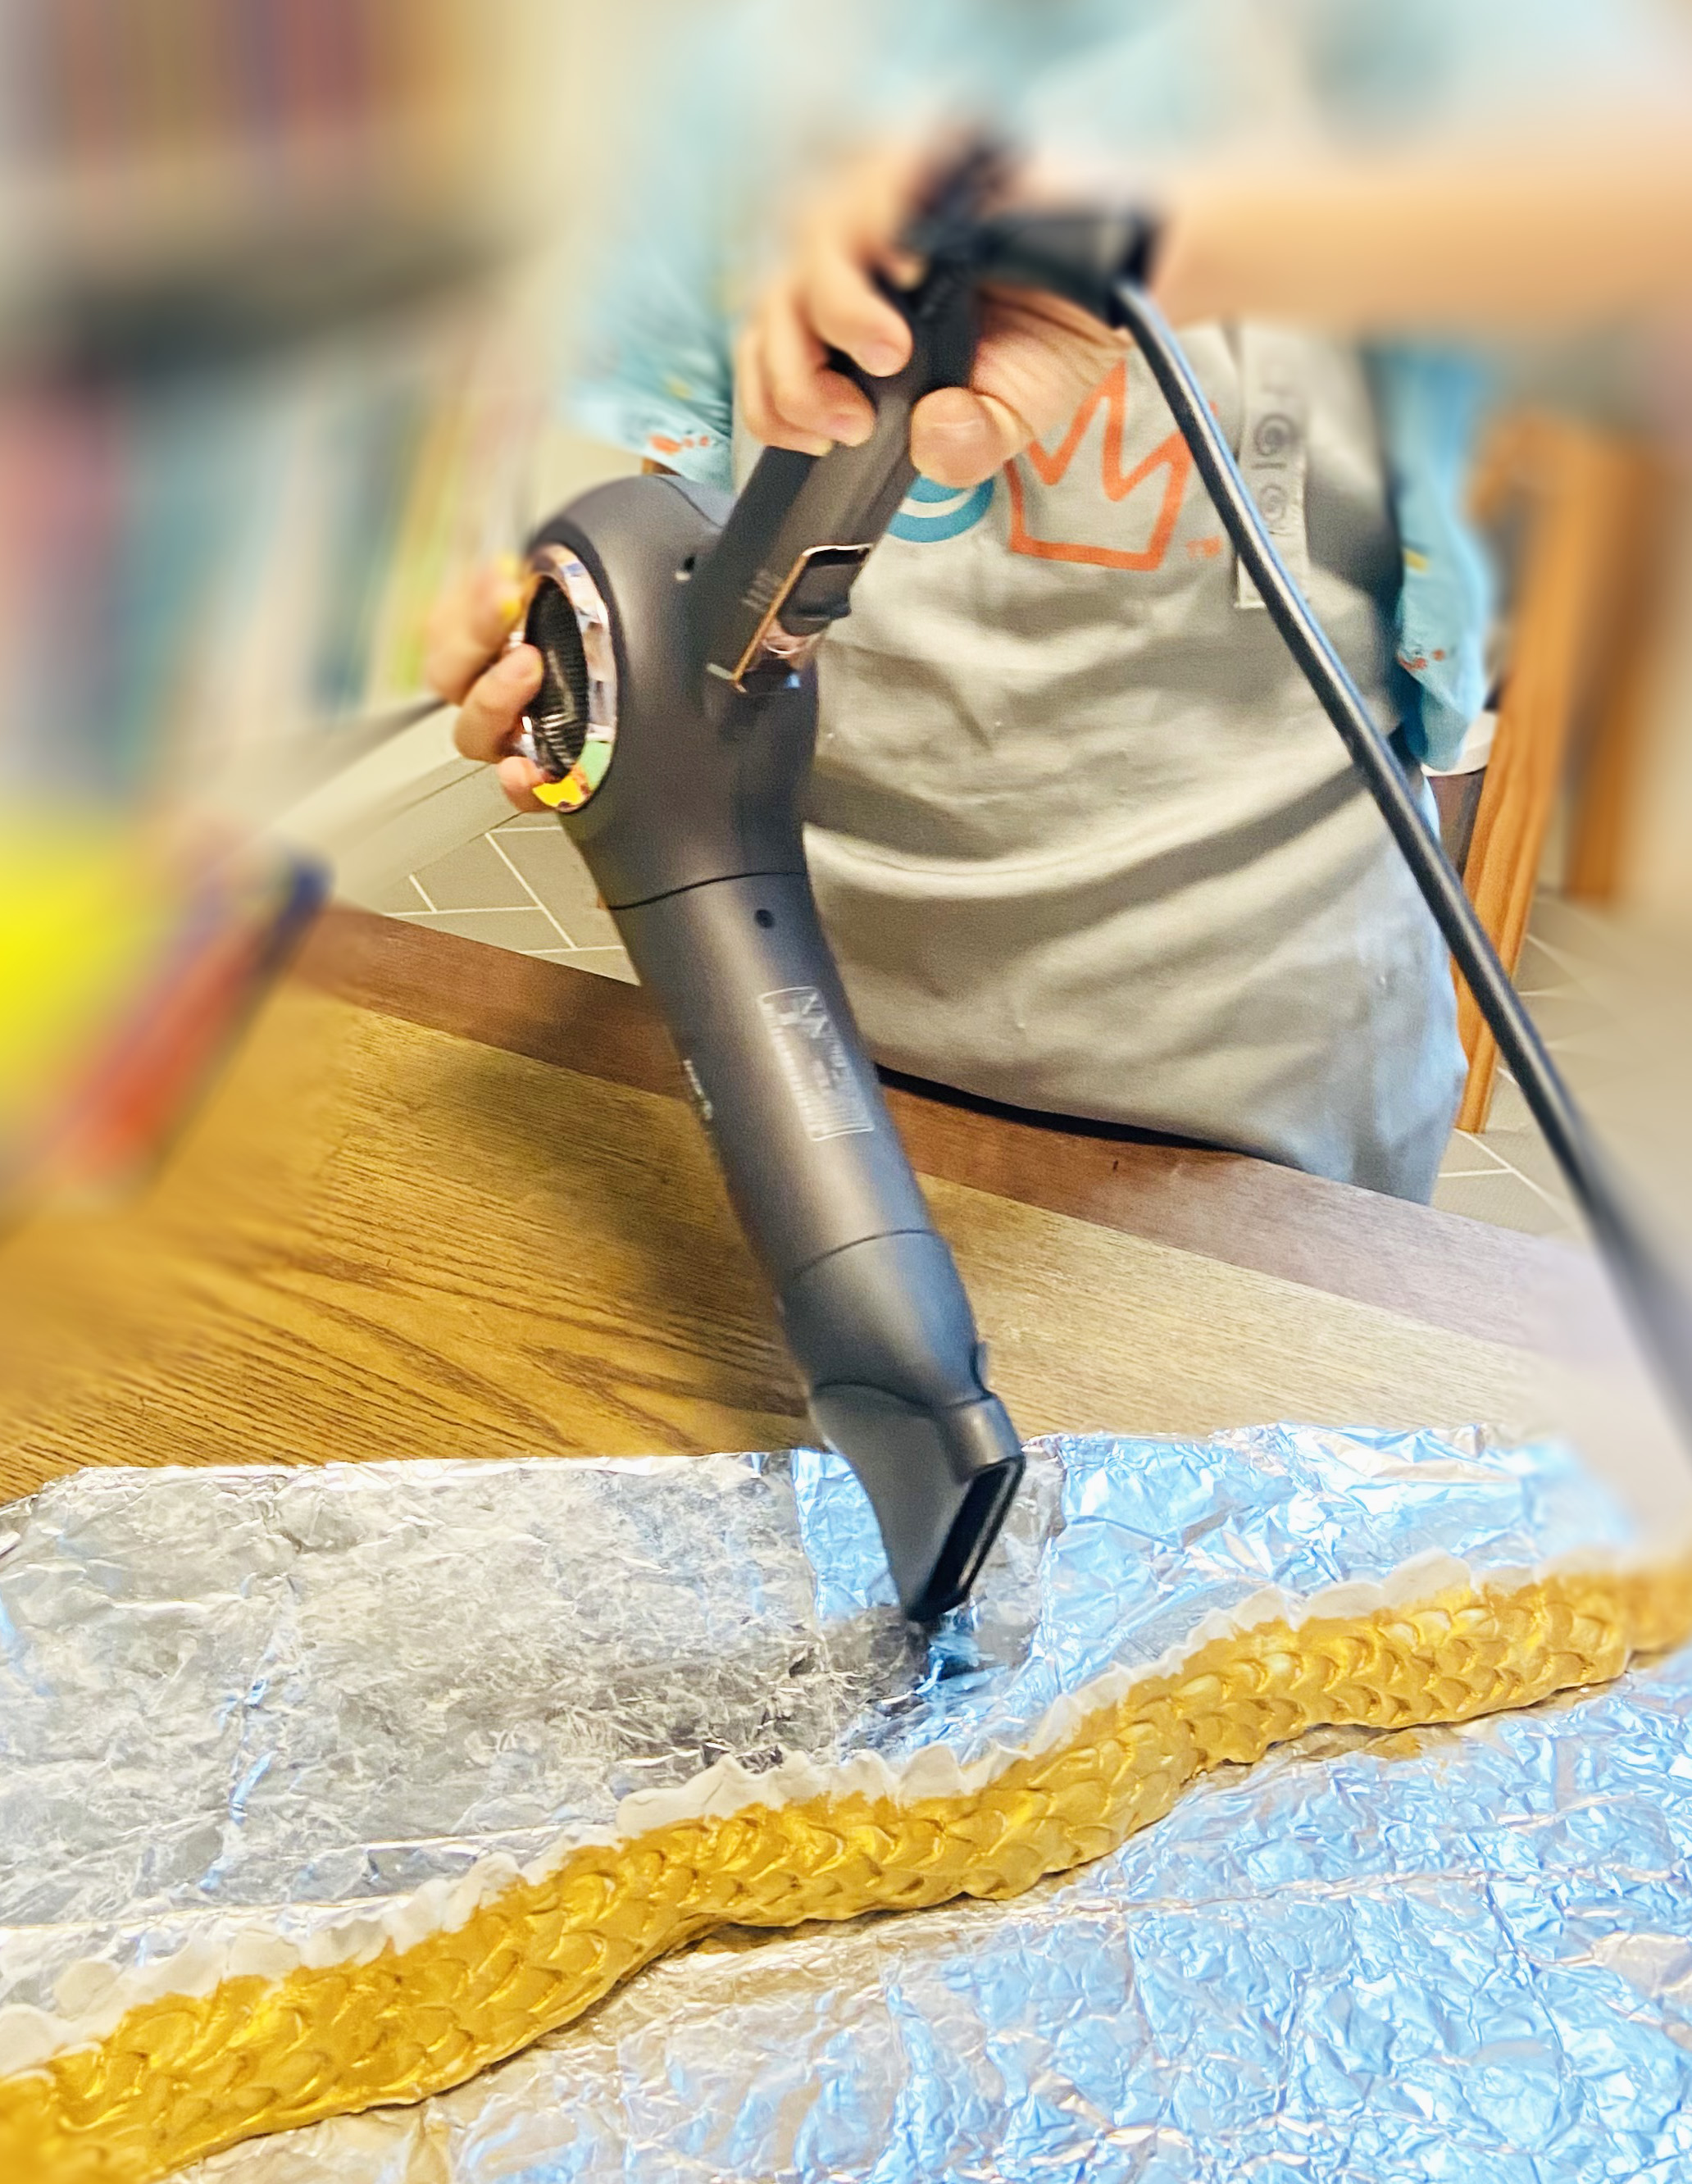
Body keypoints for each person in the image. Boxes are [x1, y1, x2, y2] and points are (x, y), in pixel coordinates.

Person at [427, 0, 1692, 1202]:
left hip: (1266, 1083)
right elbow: (681, 529)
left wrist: (1181, 233)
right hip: (785, 1010)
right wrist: (576, 655)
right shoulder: (753, 60)